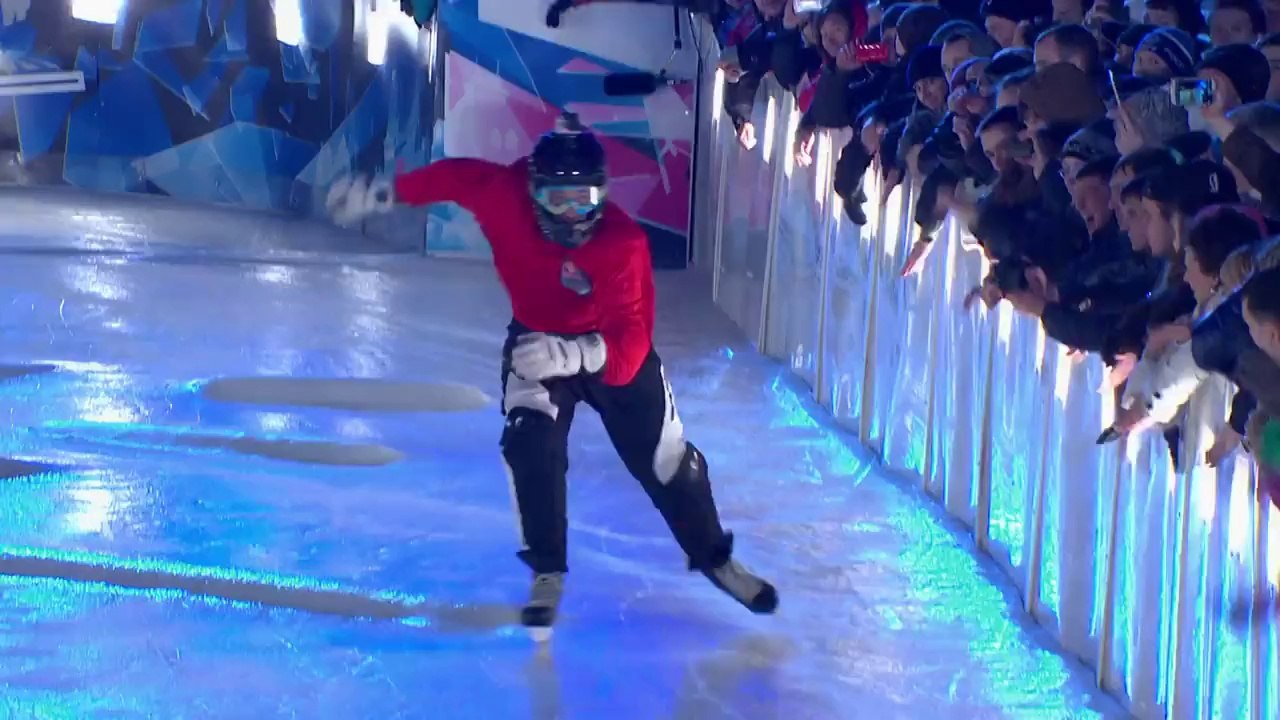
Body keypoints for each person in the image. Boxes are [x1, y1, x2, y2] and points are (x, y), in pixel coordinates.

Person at [325, 114, 779, 633]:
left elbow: (632, 343)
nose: (570, 214)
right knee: (528, 446)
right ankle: (546, 568)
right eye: (556, 200)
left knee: (669, 461)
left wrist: (576, 355)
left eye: (583, 201)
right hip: (536, 339)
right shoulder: (503, 196)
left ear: (602, 197)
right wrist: (388, 192)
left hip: (607, 350)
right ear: (531, 192)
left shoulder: (622, 245)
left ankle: (716, 557)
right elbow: (455, 178)